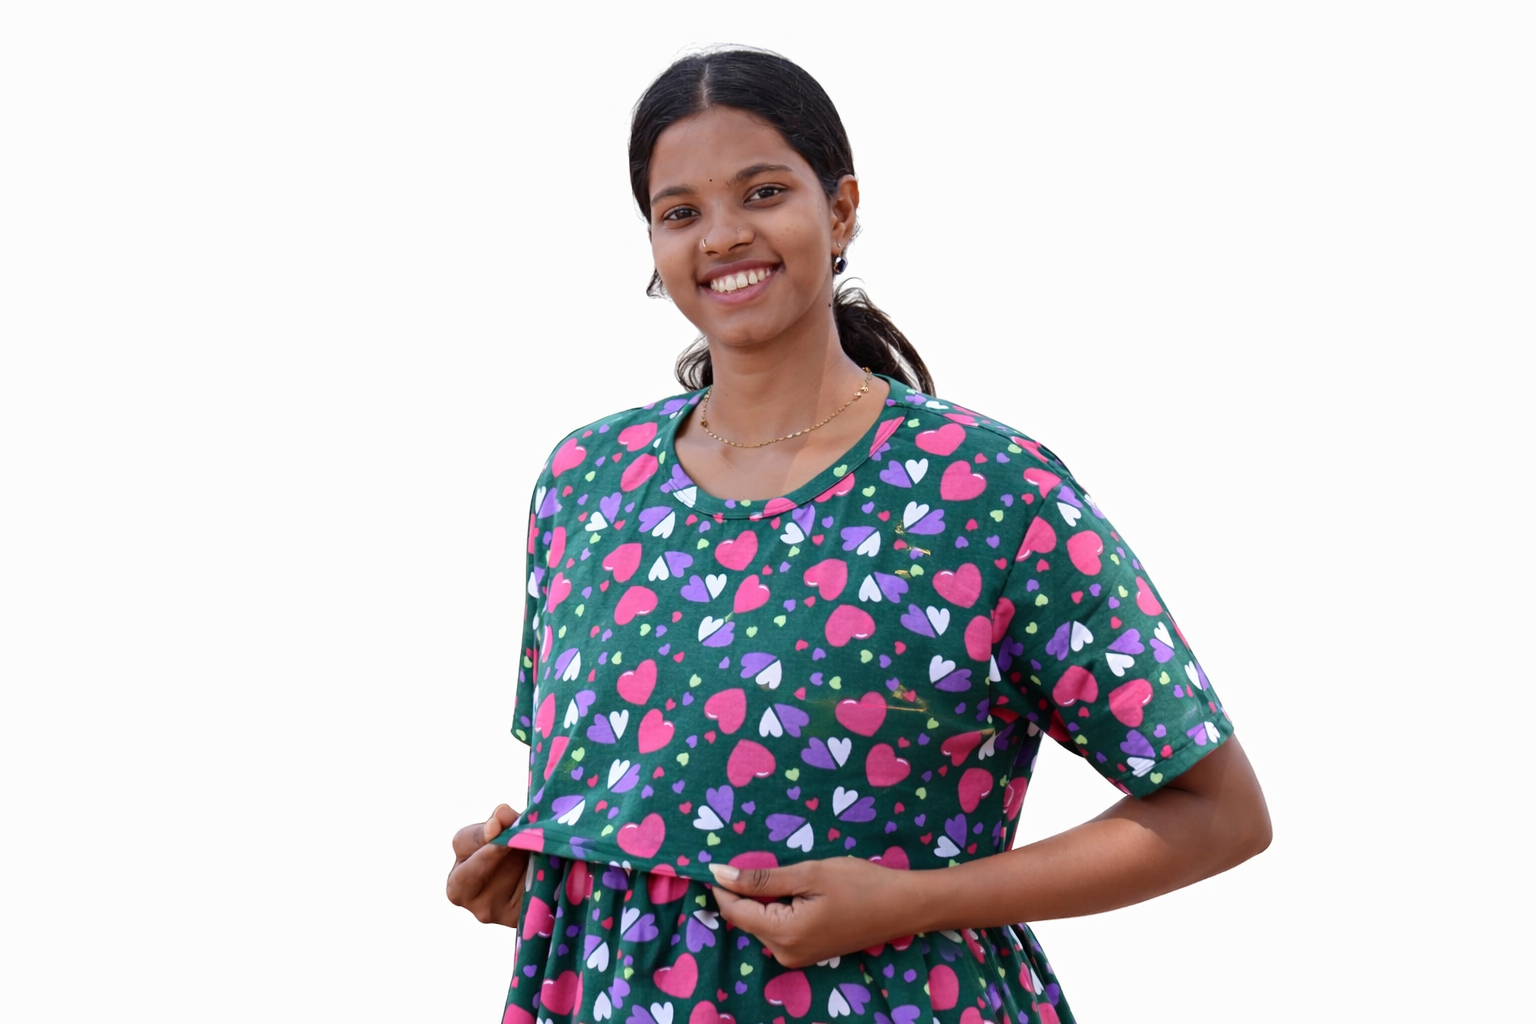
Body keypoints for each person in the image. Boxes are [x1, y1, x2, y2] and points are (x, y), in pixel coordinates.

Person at [446, 48, 1271, 1024]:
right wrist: (545, 871)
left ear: (840, 211)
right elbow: (642, 798)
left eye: (763, 192)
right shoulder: (586, 482)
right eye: (680, 211)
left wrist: (917, 900)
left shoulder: (986, 492)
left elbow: (1218, 812)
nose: (724, 235)